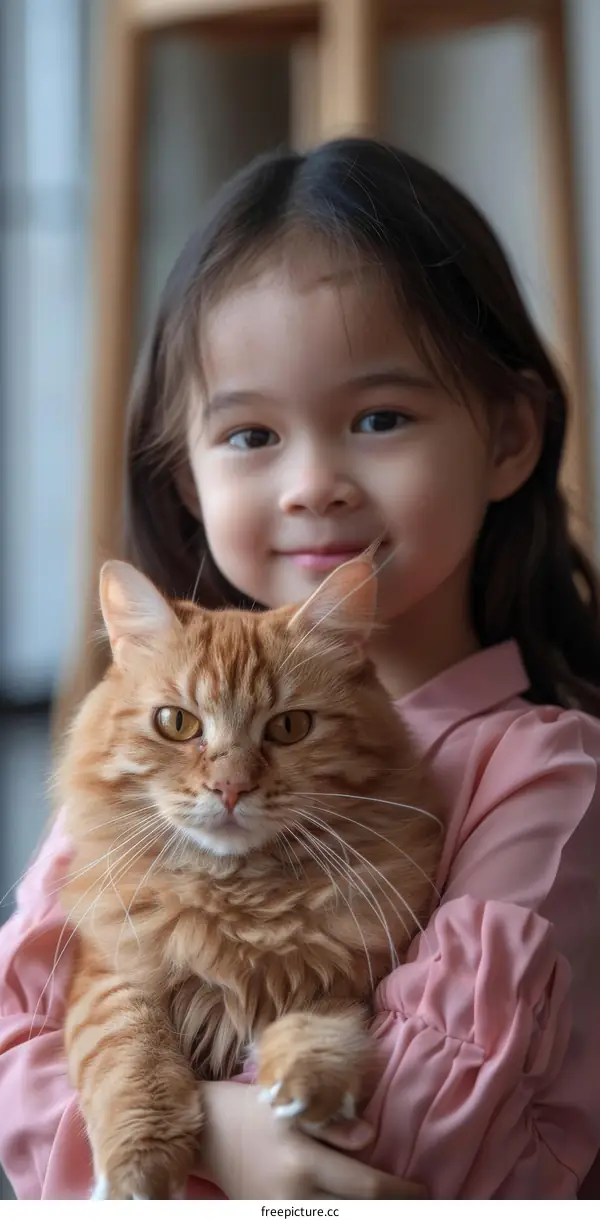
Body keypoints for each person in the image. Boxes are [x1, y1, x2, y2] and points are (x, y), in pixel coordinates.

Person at [1, 137, 600, 1200]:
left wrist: (204, 1142)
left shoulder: (544, 778)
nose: (313, 483)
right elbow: (17, 1063)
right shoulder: (137, 767)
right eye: (251, 434)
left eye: (379, 418)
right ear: (185, 475)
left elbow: (420, 1150)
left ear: (510, 436)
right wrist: (216, 1134)